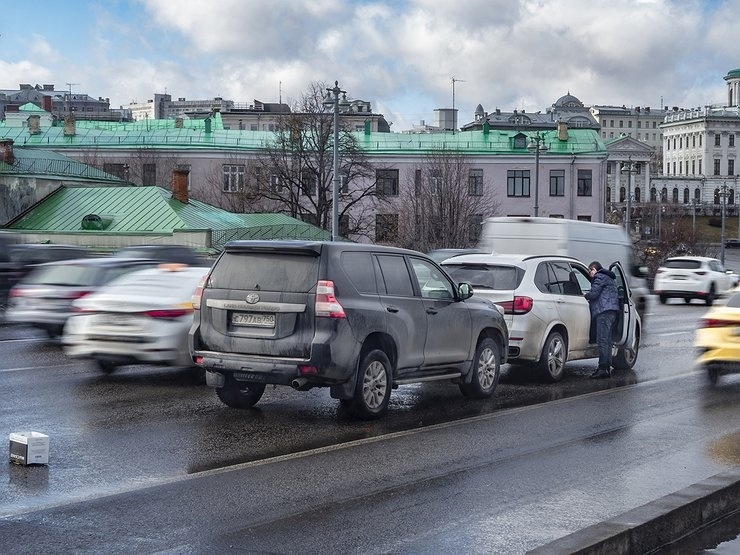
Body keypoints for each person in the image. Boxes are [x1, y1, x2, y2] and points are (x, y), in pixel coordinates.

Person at [584, 261, 620, 379]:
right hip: (611, 312)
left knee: (602, 341)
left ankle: (602, 368)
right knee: (607, 341)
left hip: (603, 312)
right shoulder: (609, 278)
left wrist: (585, 295)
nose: (589, 273)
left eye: (590, 270)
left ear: (595, 269)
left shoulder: (599, 277)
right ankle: (606, 367)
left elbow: (594, 294)